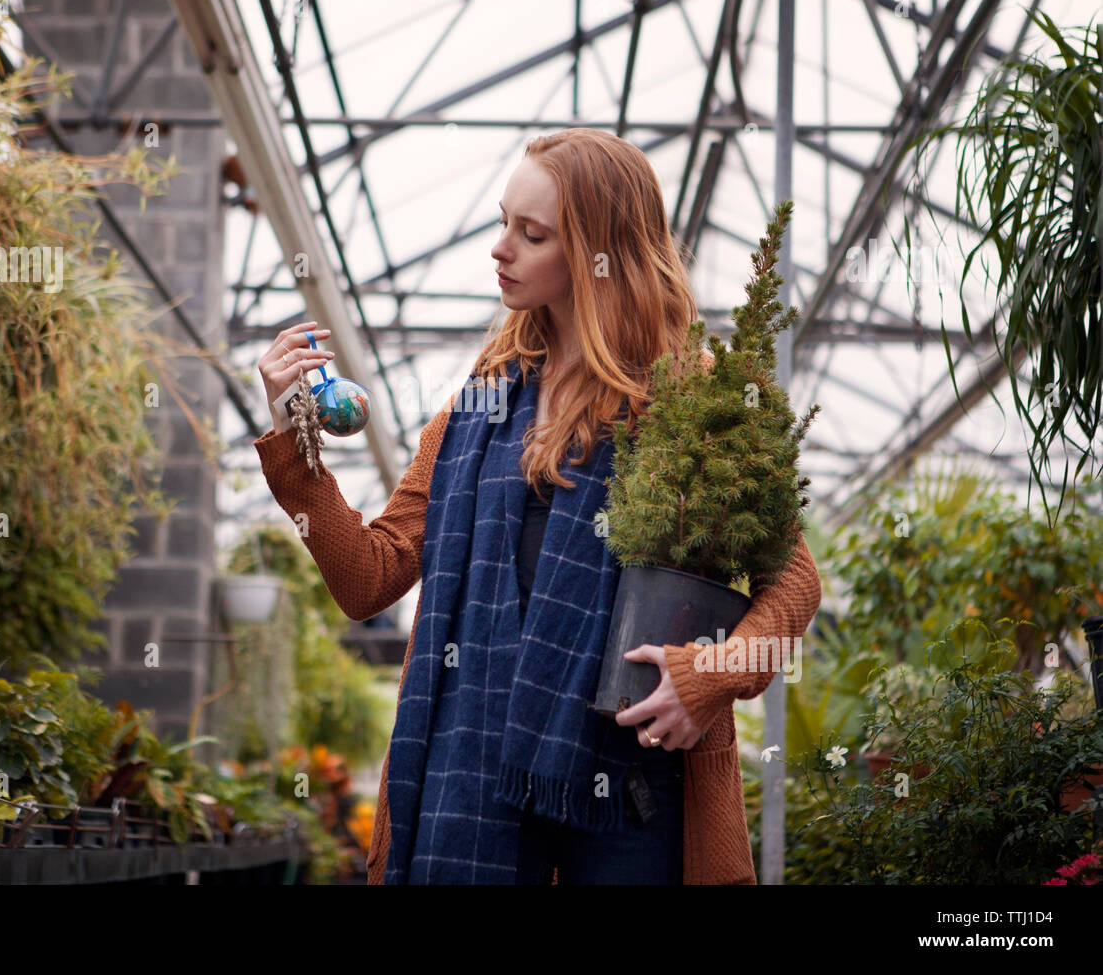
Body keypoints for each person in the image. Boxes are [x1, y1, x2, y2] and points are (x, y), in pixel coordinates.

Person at [254, 128, 822, 885]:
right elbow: (369, 577)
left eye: (533, 233)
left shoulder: (696, 400)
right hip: (480, 782)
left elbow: (794, 583)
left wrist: (710, 675)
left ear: (600, 253)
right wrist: (295, 442)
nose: (501, 248)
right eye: (502, 223)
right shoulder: (476, 410)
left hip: (636, 783)